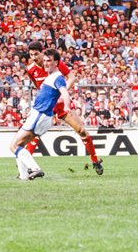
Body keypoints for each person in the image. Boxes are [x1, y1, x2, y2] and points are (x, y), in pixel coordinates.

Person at [24, 41, 103, 175]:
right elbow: (39, 87)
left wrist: (62, 92)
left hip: (61, 104)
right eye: (31, 55)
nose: (34, 58)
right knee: (34, 134)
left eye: (36, 54)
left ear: (42, 52)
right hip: (47, 105)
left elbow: (71, 77)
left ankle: (95, 160)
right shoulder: (30, 69)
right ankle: (27, 167)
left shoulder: (55, 64)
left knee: (82, 130)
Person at [10, 49, 71, 180]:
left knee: (13, 146)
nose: (46, 63)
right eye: (45, 61)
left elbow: (65, 92)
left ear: (56, 62)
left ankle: (35, 169)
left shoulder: (57, 77)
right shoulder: (51, 77)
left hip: (40, 115)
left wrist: (66, 106)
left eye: (49, 61)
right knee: (20, 145)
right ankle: (24, 176)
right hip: (42, 116)